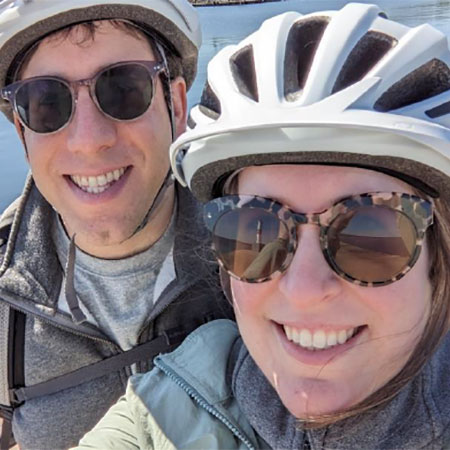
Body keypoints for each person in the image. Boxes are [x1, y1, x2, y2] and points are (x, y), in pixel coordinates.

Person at [77, 3, 450, 449]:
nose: (304, 291)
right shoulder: (168, 410)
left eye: (369, 234)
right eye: (255, 231)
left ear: (437, 260)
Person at [0, 1, 233, 449]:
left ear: (177, 104)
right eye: (47, 103)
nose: (90, 140)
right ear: (22, 134)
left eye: (124, 89)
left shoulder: (266, 251)